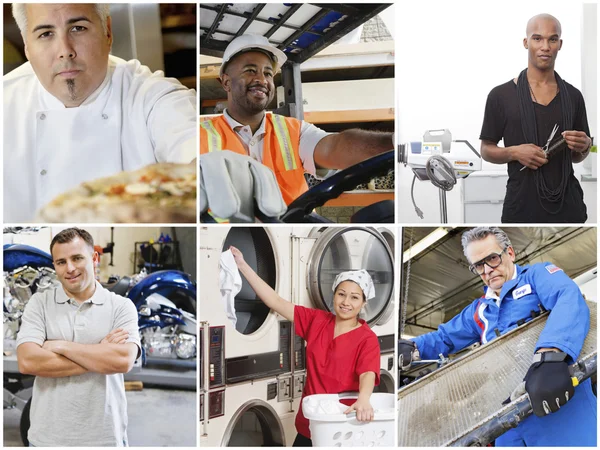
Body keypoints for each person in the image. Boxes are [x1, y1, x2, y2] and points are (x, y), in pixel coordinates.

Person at [398, 227, 596, 446]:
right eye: (478, 265)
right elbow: (444, 338)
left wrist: (549, 357)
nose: (487, 270)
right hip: (507, 421)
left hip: (558, 407)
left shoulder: (537, 277)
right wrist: (412, 347)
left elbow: (568, 298)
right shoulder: (479, 310)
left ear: (509, 253)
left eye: (492, 258)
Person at [4, 3, 197, 222]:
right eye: (46, 33)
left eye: (78, 28)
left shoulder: (150, 95)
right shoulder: (6, 102)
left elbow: (190, 144)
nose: (65, 50)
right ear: (27, 45)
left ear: (108, 32)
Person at [200, 33, 394, 221]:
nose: (262, 79)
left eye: (268, 73)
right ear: (226, 82)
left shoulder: (294, 131)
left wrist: (395, 142)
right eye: (250, 70)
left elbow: (335, 146)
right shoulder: (199, 136)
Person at [229, 246, 381, 447]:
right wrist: (241, 264)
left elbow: (368, 373)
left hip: (343, 426)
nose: (346, 302)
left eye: (354, 297)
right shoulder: (317, 320)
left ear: (363, 303)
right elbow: (274, 301)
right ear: (333, 295)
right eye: (341, 294)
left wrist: (363, 399)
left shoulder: (367, 338)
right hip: (309, 422)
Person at [16, 228, 141, 446]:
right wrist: (100, 354)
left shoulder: (120, 307)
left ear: (94, 258)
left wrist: (61, 346)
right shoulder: (40, 304)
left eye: (77, 258)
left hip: (104, 439)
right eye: (61, 262)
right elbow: (27, 361)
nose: (70, 268)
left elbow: (122, 360)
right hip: (47, 439)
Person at [479, 14, 592, 223]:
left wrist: (585, 146)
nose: (545, 46)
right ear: (526, 42)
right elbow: (486, 149)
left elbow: (576, 156)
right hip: (521, 207)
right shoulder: (501, 96)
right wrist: (514, 152)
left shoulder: (573, 96)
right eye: (537, 38)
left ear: (560, 44)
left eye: (552, 39)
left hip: (569, 207)